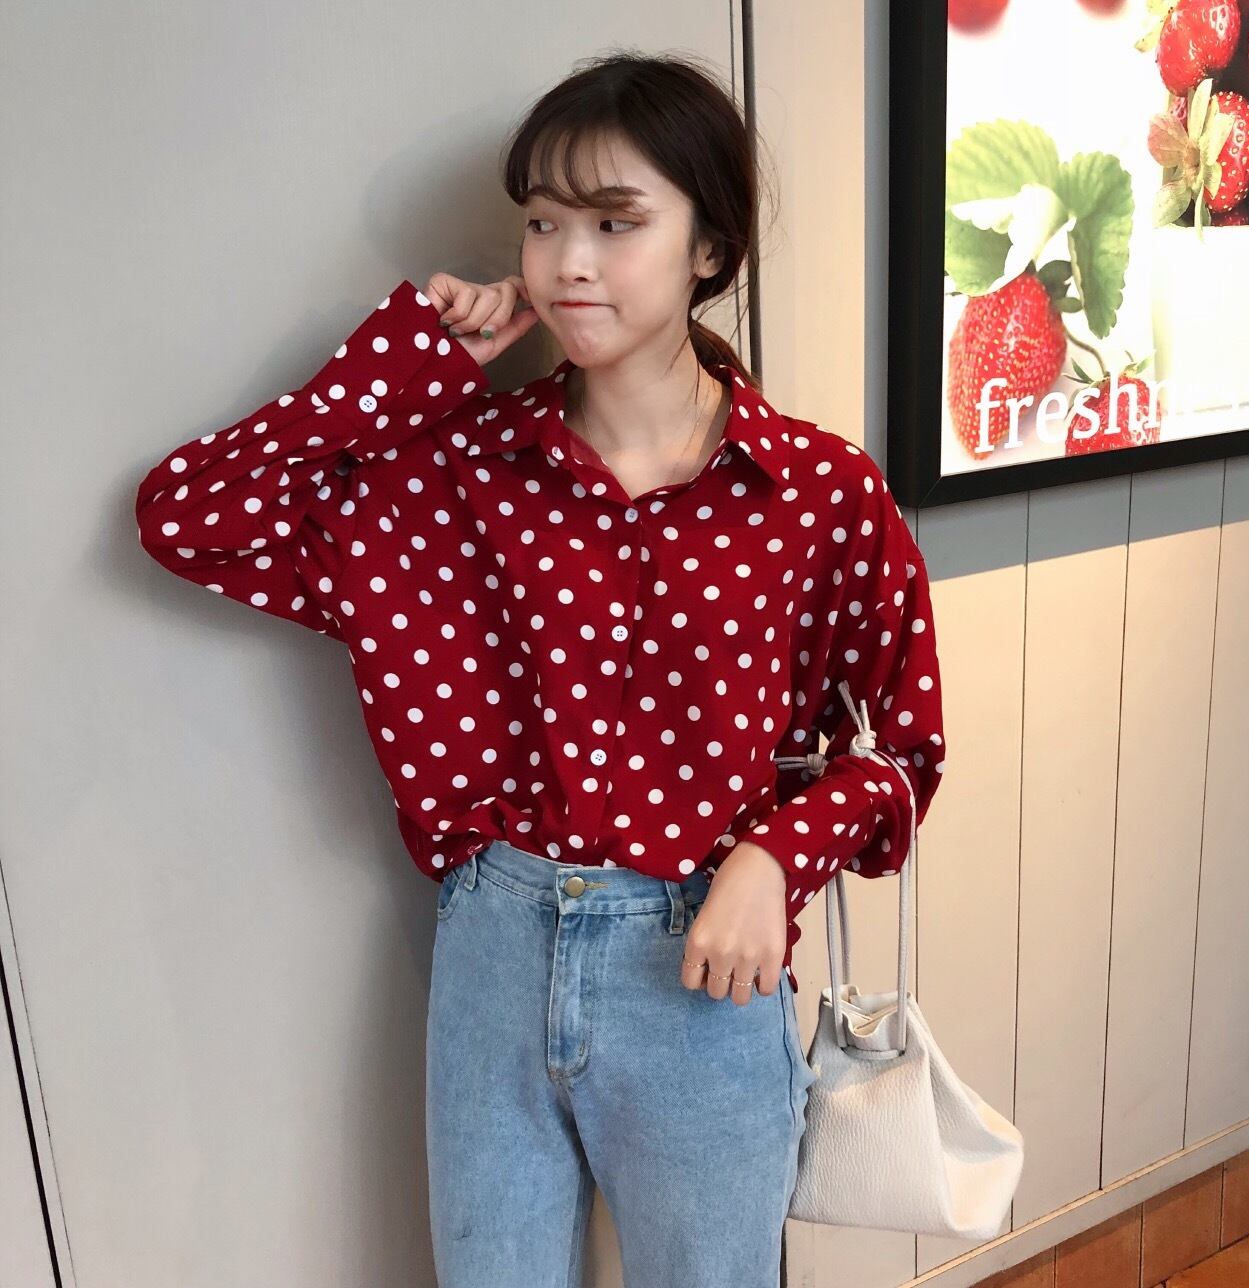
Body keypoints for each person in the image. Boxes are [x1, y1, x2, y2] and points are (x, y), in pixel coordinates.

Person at [134, 49, 946, 1288]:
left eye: (616, 223)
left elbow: (902, 745)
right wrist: (412, 362)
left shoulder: (811, 492)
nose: (568, 260)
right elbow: (188, 517)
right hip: (493, 956)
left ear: (709, 246)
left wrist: (776, 856)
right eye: (544, 221)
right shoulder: (454, 474)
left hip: (702, 971)